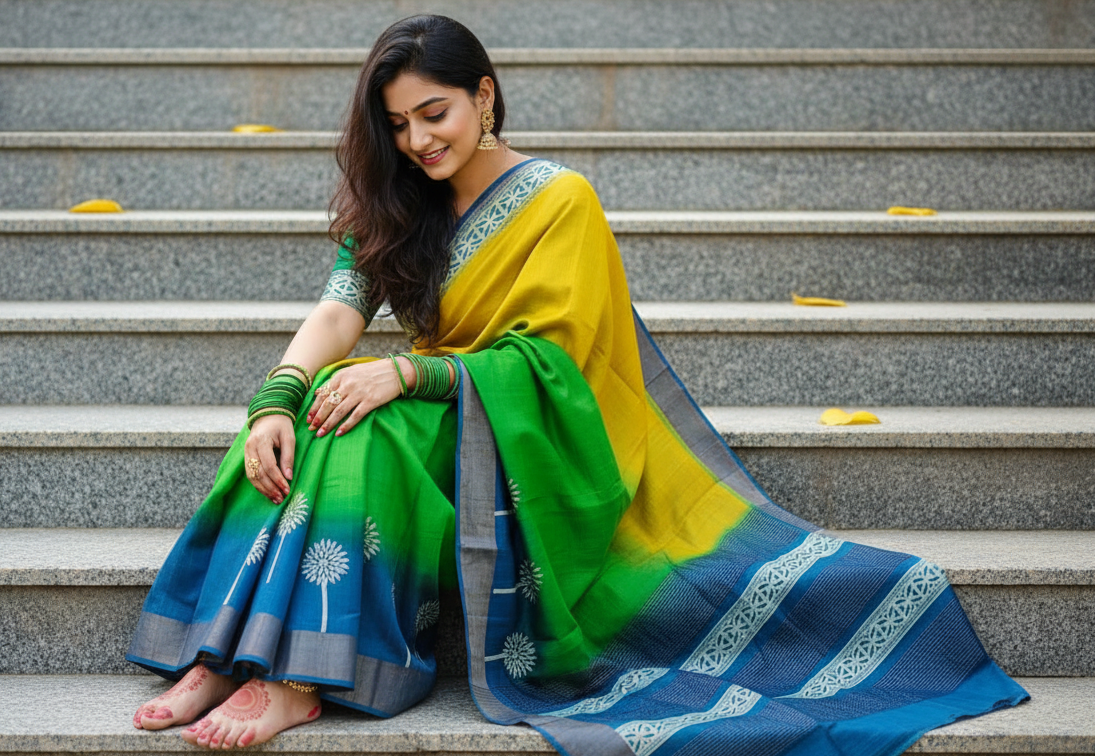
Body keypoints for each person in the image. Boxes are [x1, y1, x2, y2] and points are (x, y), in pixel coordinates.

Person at [126, 14, 1029, 755]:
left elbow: (558, 363)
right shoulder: (400, 203)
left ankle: (291, 678)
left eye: (434, 114)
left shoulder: (559, 199)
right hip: (447, 414)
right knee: (313, 415)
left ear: (484, 96)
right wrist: (278, 397)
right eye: (398, 127)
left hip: (525, 442)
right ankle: (228, 651)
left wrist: (409, 369)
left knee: (364, 419)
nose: (418, 141)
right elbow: (337, 309)